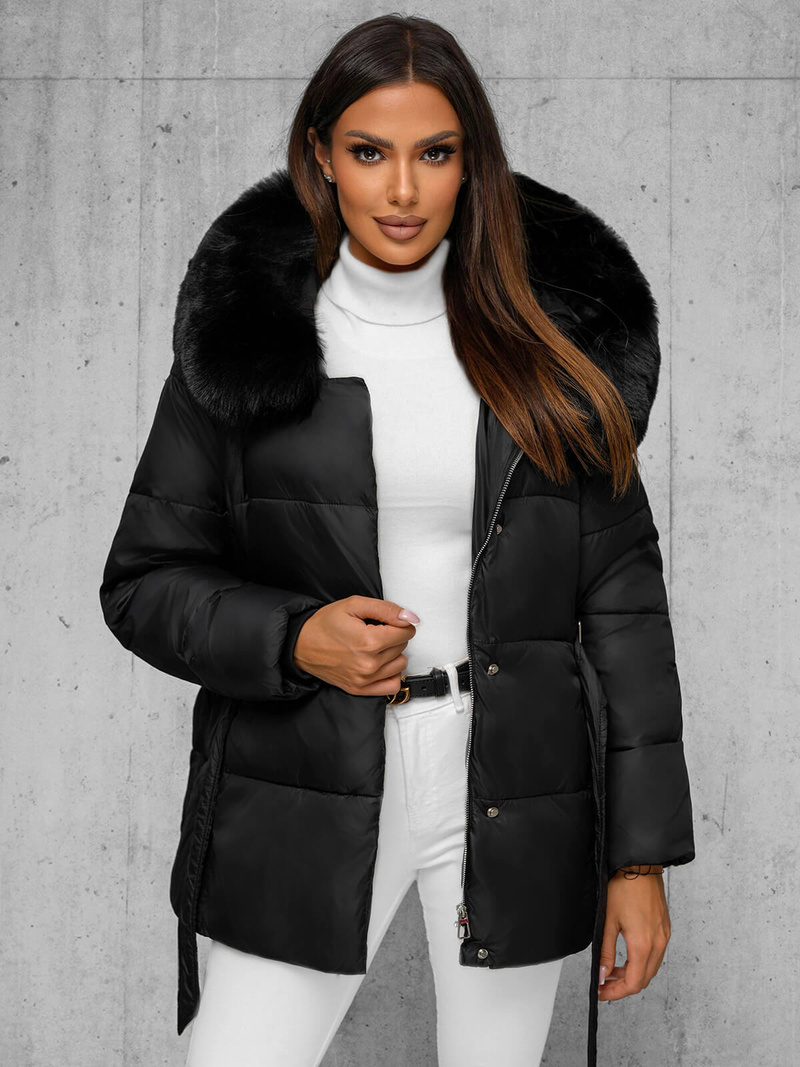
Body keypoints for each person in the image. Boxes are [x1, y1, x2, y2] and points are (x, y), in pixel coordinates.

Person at [98, 13, 695, 1067]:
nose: (404, 190)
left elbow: (623, 612)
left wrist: (637, 862)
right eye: (371, 152)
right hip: (304, 772)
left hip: (514, 778)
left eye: (436, 153)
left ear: (472, 163)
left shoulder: (553, 350)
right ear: (322, 155)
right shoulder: (248, 345)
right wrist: (295, 638)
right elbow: (143, 580)